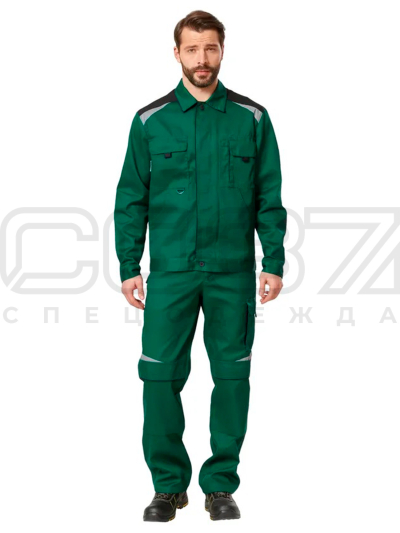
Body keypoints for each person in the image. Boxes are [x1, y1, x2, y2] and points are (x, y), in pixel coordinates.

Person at [114, 10, 287, 522]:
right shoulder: (151, 121)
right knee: (159, 375)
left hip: (233, 271)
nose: (202, 59)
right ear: (177, 54)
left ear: (222, 51)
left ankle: (219, 486)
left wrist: (273, 260)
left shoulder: (252, 118)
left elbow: (269, 195)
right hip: (171, 272)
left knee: (232, 377)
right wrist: (129, 264)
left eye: (210, 48)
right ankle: (168, 486)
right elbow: (131, 198)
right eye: (192, 49)